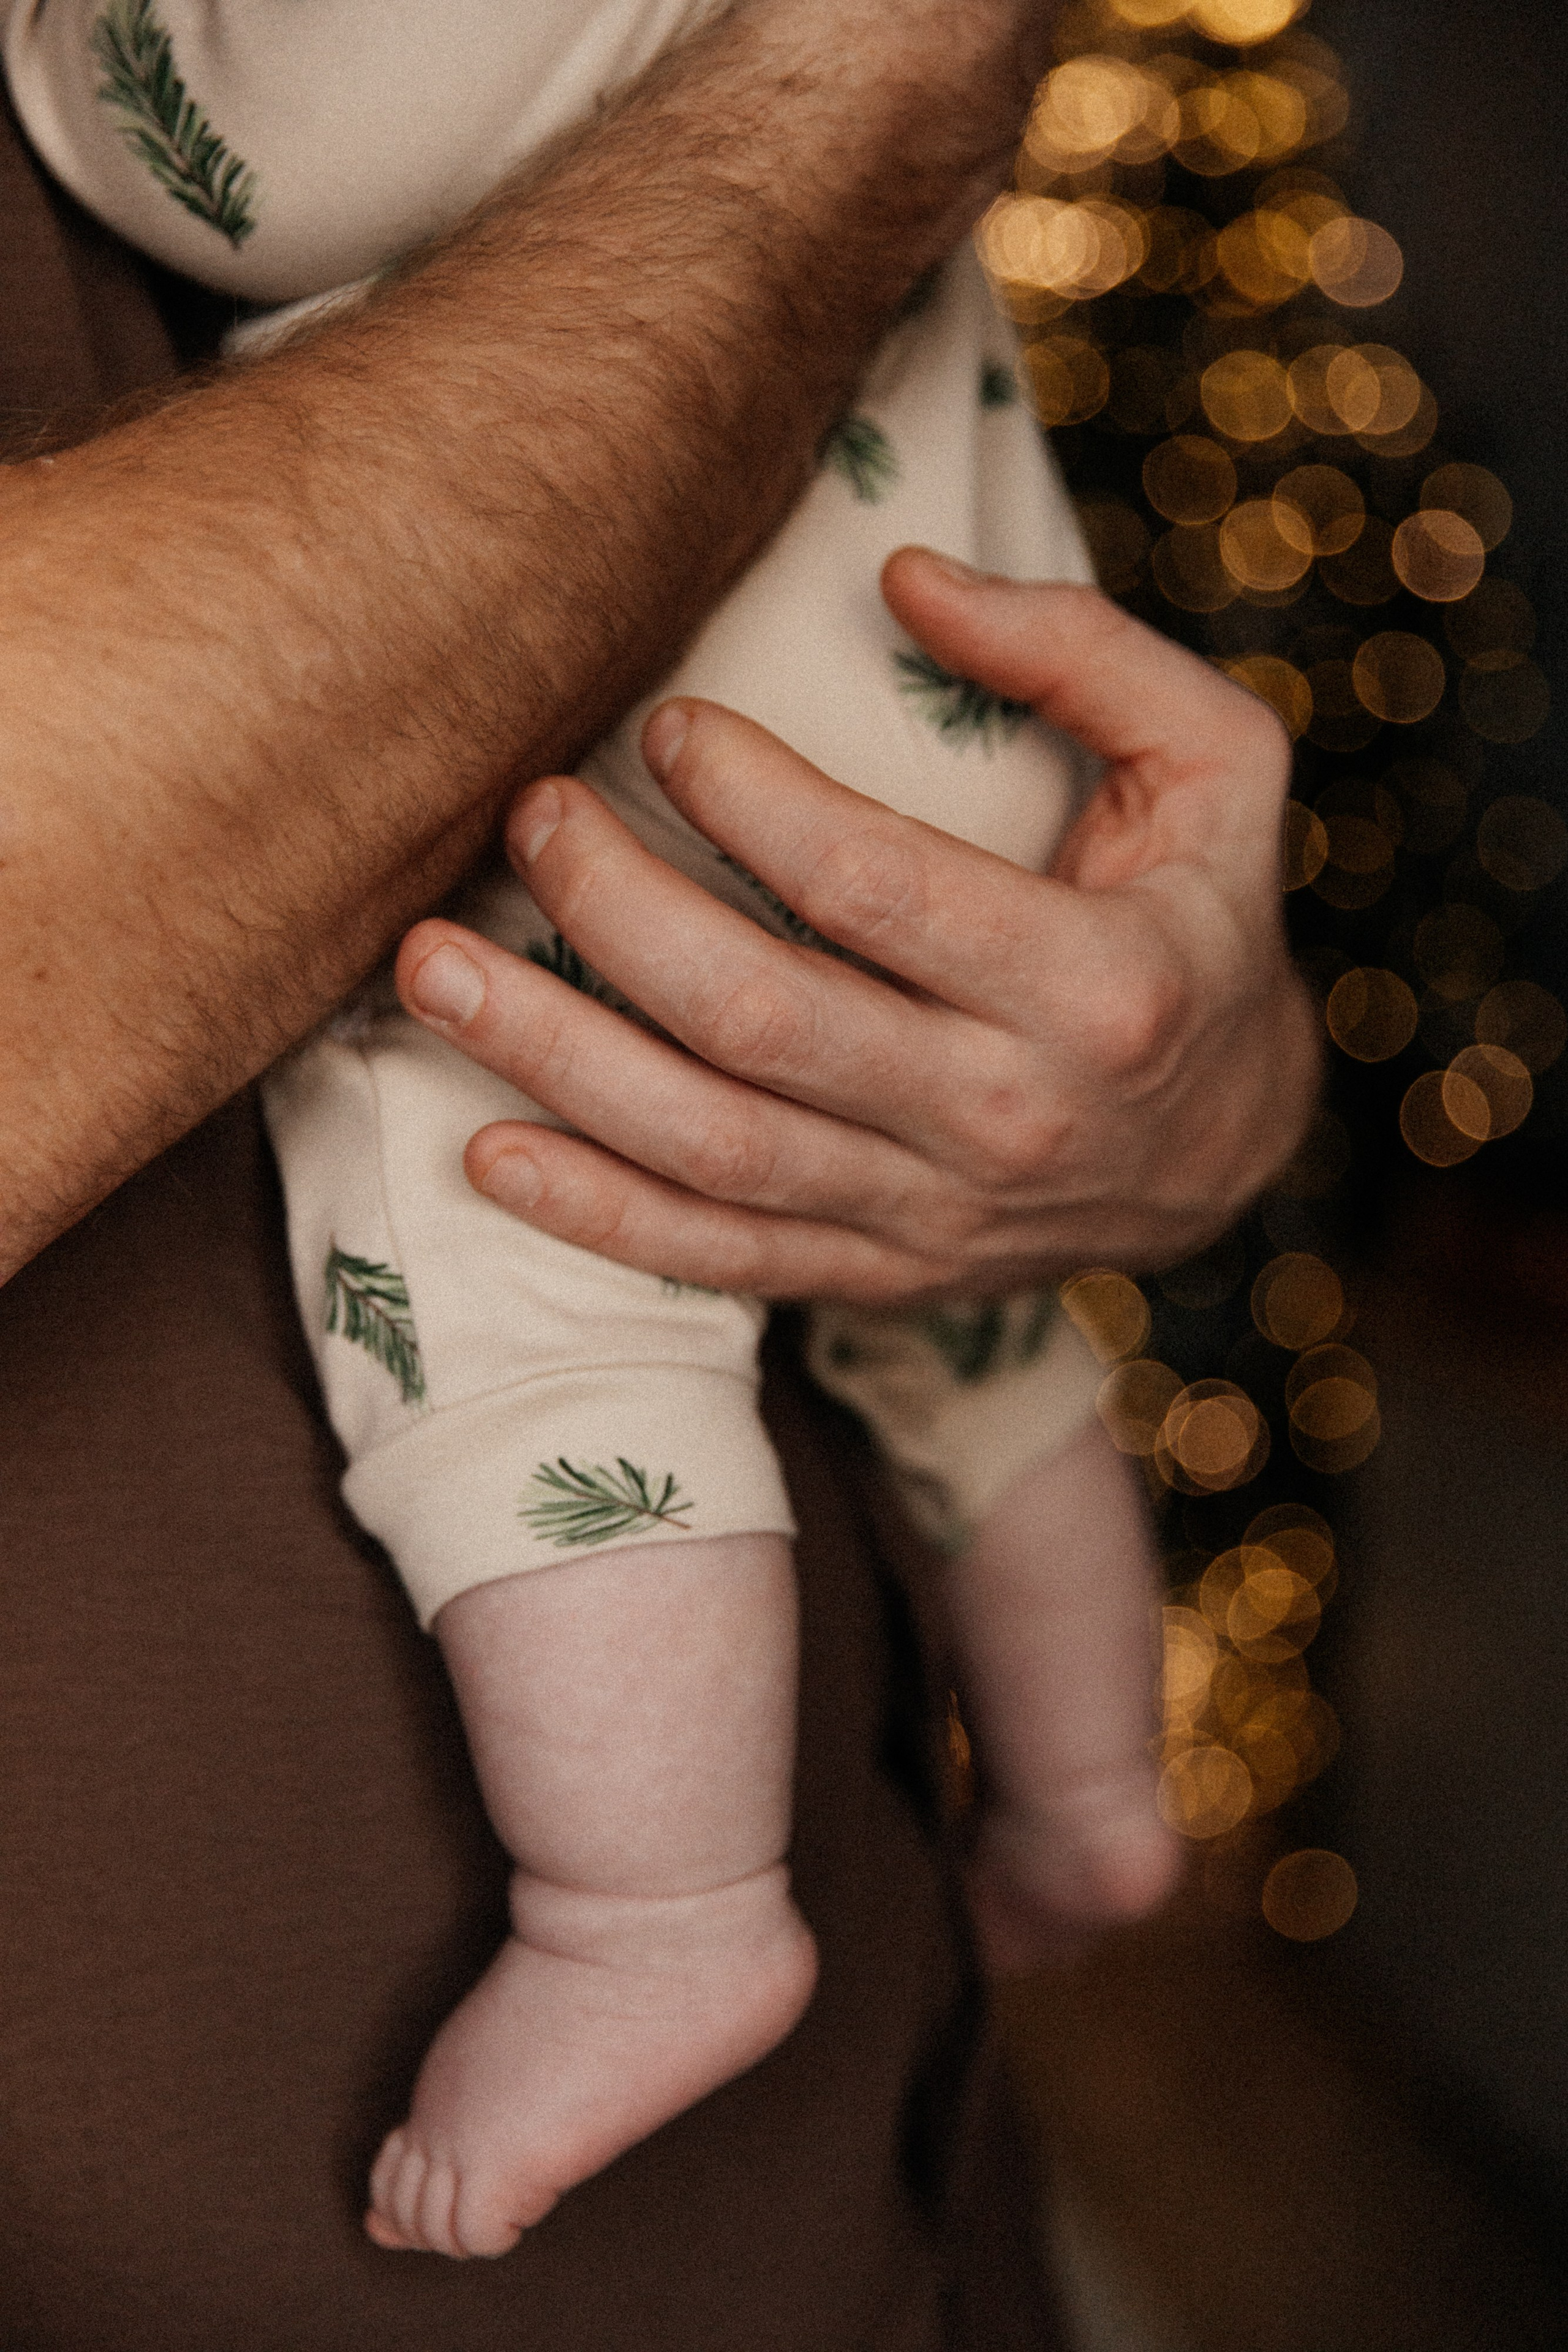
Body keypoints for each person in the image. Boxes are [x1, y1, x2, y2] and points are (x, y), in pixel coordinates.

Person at [0, 4, 1316, 2340]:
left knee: (503, 1206)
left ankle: (654, 1912)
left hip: (665, 753)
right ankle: (1095, 1777)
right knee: (954, 1302)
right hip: (940, 707)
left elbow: (270, 167)